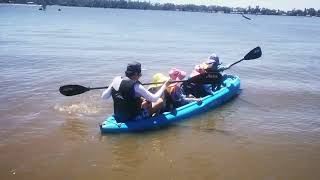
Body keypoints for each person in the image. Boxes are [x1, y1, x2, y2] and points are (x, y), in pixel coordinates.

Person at [101, 62, 170, 122]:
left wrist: (112, 86)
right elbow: (154, 98)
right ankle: (151, 120)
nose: (140, 76)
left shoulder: (116, 80)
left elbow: (104, 97)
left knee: (142, 98)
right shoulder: (137, 86)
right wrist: (164, 86)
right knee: (160, 101)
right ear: (136, 73)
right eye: (140, 74)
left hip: (119, 115)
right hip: (133, 118)